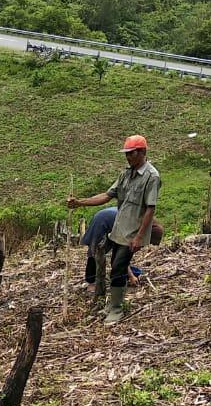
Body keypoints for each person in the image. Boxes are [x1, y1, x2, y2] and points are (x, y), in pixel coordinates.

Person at [68, 134, 160, 325]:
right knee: (113, 264)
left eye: (131, 153)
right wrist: (80, 202)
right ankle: (112, 303)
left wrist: (139, 237)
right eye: (126, 154)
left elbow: (150, 209)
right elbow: (108, 195)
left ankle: (117, 309)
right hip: (117, 228)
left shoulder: (152, 177)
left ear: (142, 152)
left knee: (118, 267)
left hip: (132, 232)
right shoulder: (126, 174)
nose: (128, 157)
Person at [81, 207, 164, 292]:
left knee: (119, 257)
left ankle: (118, 277)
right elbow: (123, 257)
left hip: (116, 223)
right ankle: (91, 282)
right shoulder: (134, 229)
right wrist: (131, 276)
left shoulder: (141, 224)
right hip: (103, 221)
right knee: (95, 252)